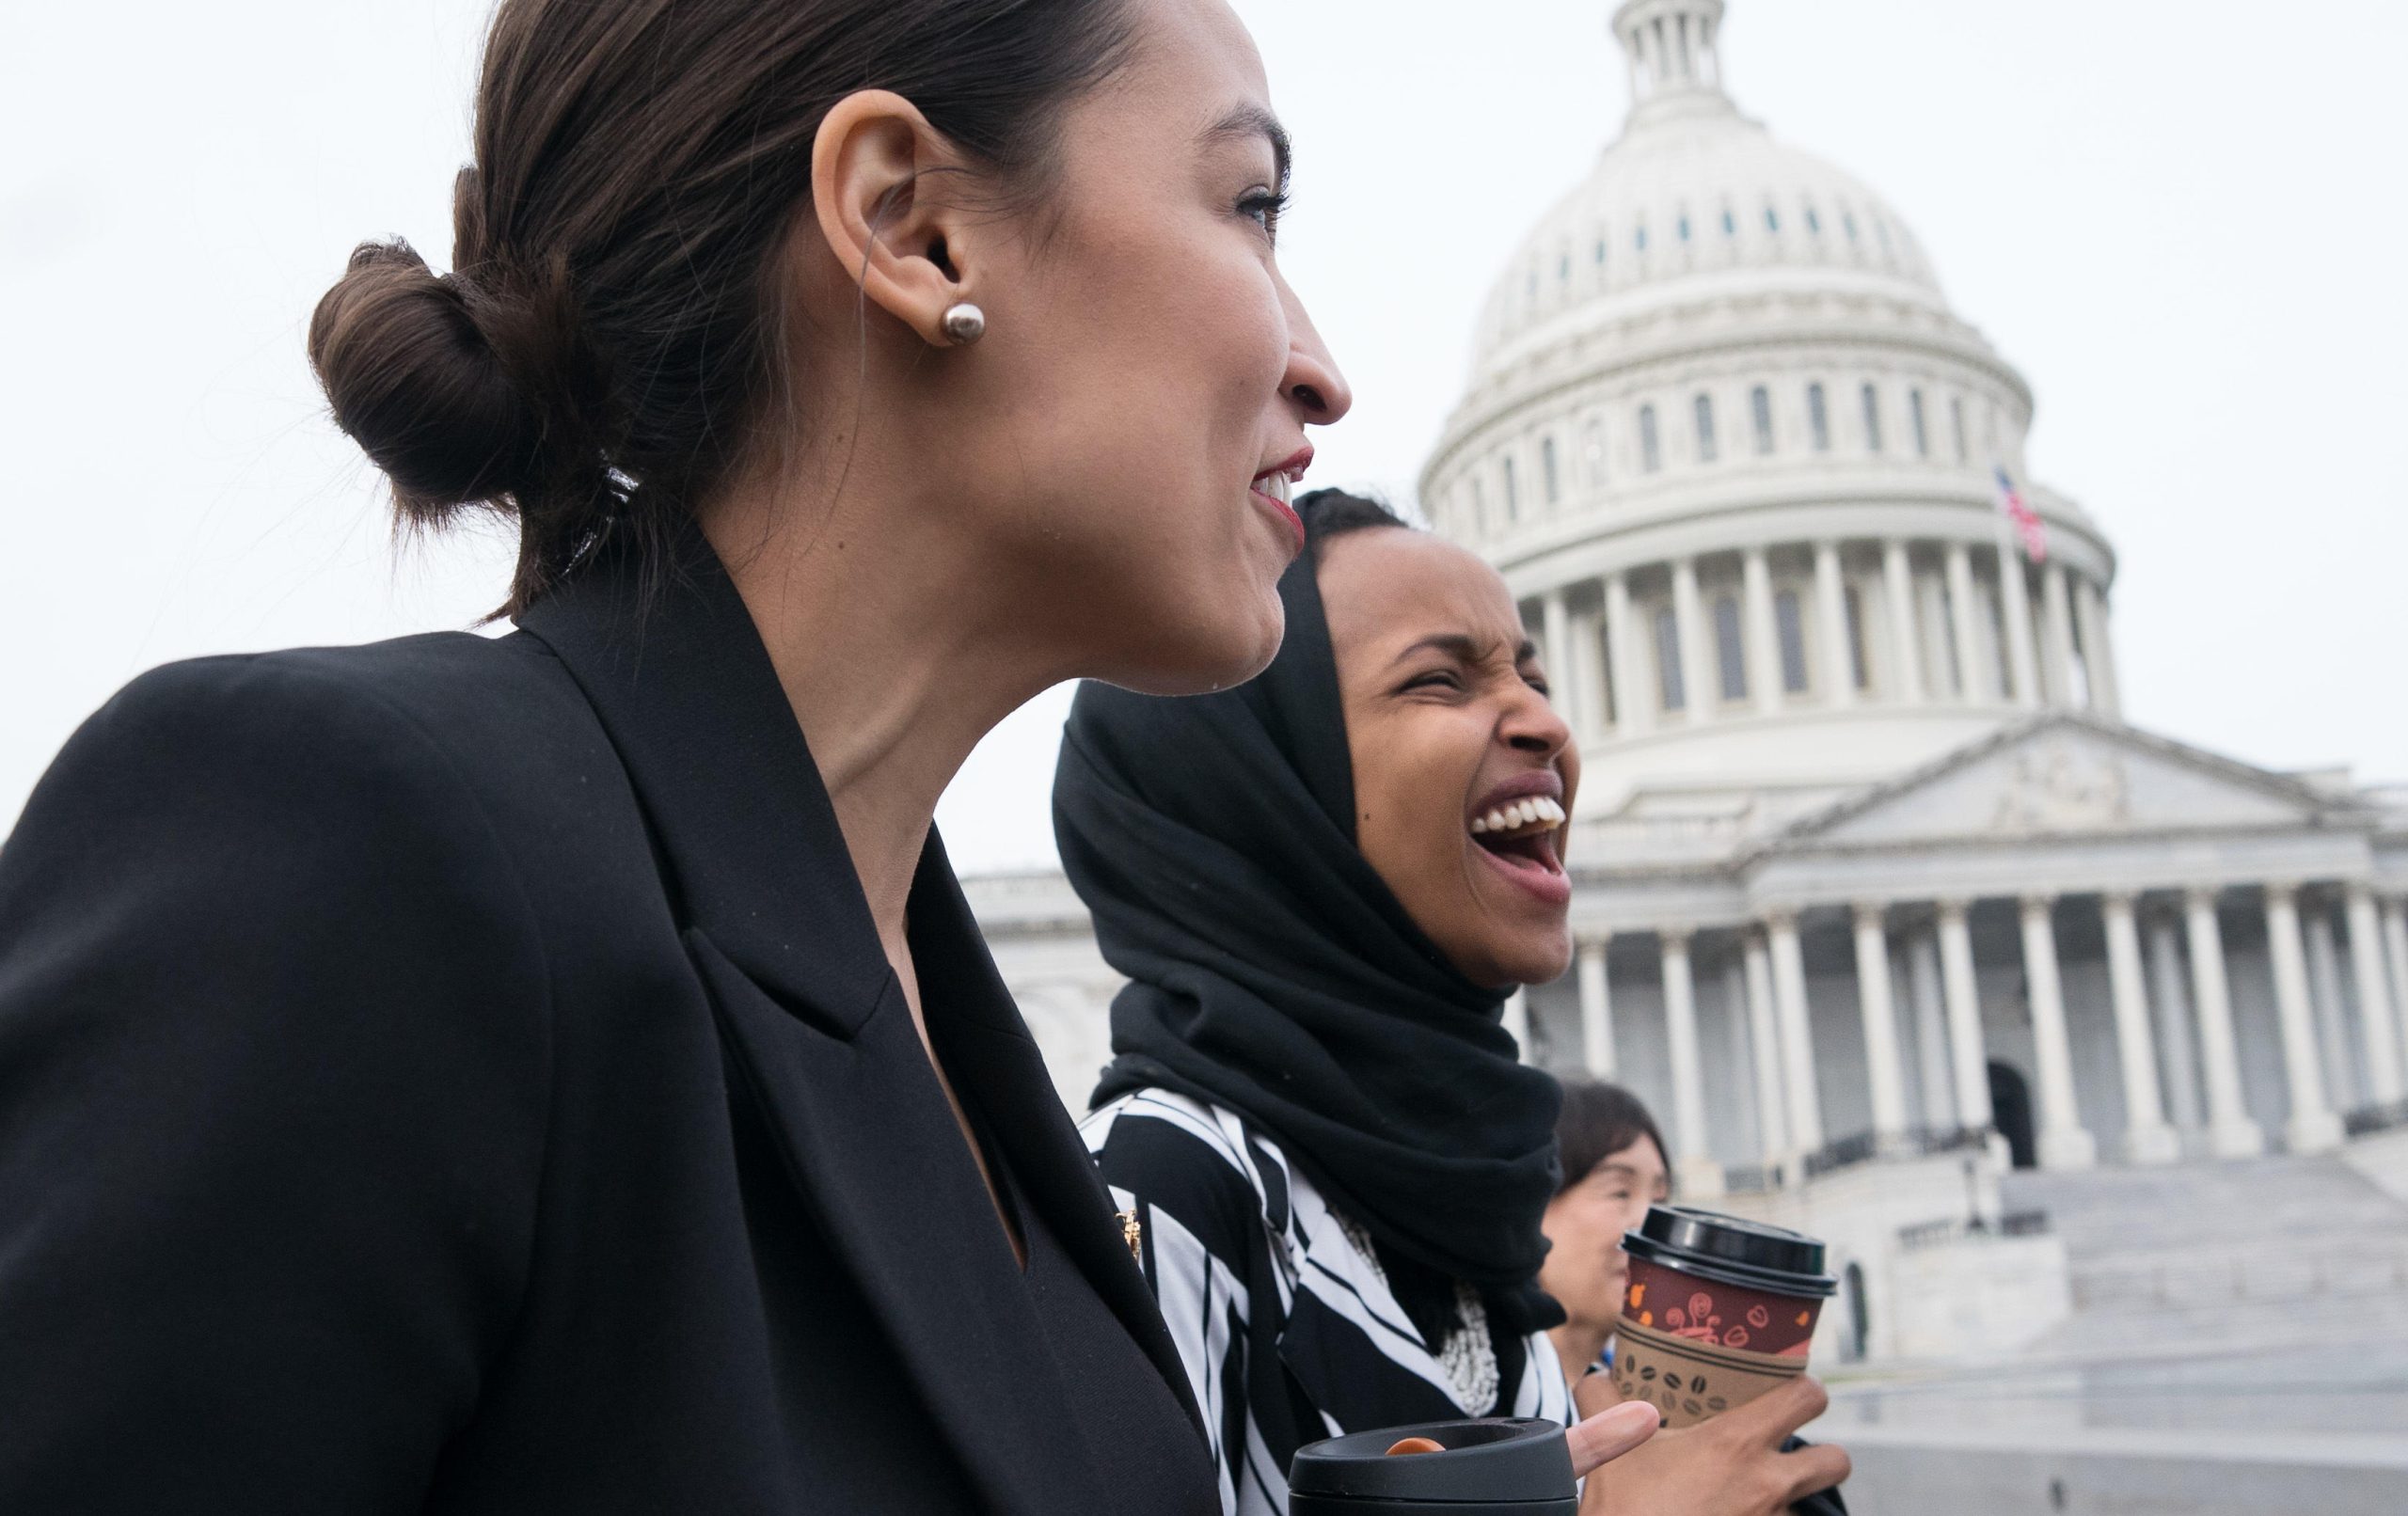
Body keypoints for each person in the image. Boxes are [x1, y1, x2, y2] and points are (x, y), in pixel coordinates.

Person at [0, 1, 1383, 1508]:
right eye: (1250, 206)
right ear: (911, 229)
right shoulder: (352, 842)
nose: (1321, 369)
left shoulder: (973, 1071)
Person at [1061, 491, 1848, 1515]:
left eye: (1533, 674)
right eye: (1440, 678)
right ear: (1261, 786)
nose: (1546, 720)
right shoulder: (1168, 1186)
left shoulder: (1466, 1213)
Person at [1540, 1079, 1673, 1384]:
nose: (1651, 1225)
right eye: (1619, 1192)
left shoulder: (1657, 1394)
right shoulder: (1483, 1405)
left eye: (1660, 1200)